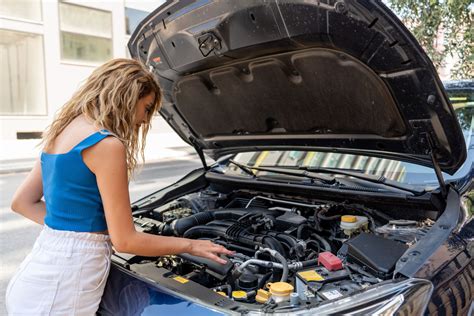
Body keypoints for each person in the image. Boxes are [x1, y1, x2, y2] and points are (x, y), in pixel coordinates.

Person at [6, 58, 233, 315]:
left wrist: (80, 229)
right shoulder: (106, 145)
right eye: (147, 108)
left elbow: (22, 202)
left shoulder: (63, 130)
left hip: (37, 274)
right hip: (64, 288)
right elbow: (125, 241)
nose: (145, 120)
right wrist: (191, 246)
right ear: (127, 96)